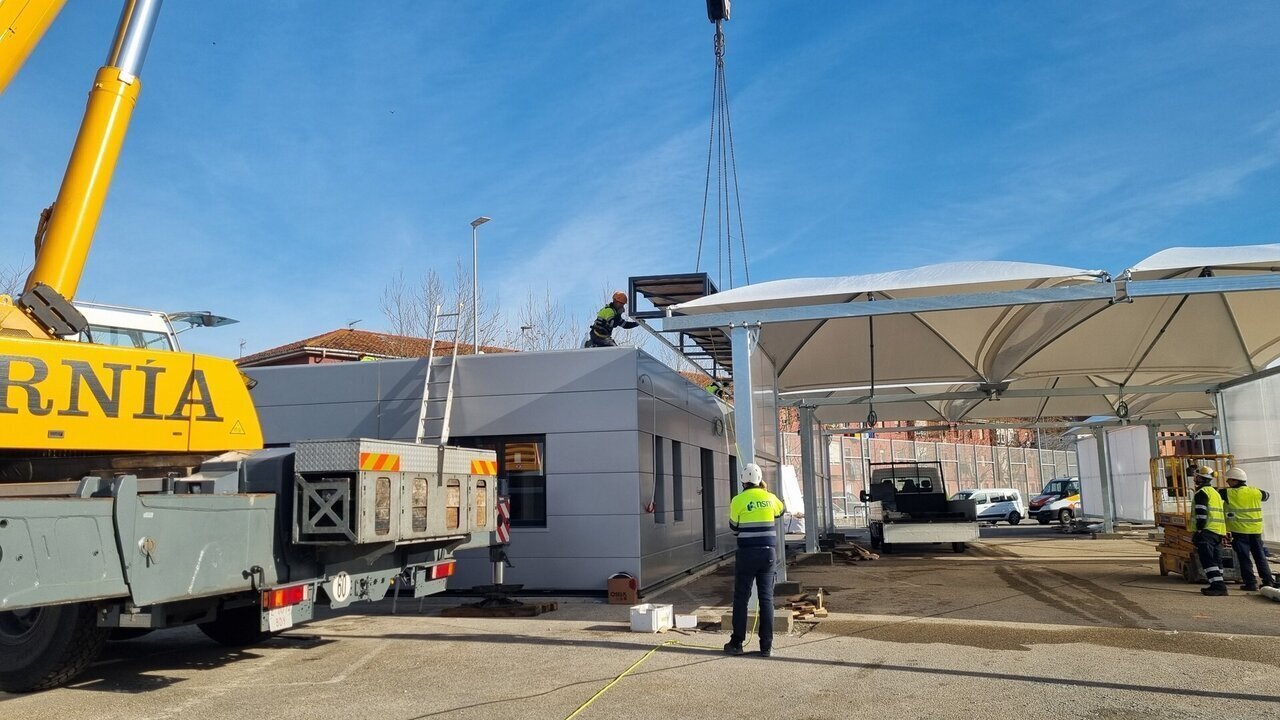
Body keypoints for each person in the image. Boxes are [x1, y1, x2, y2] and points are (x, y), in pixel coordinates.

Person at [724, 463, 785, 658]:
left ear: (743, 481)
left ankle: (737, 643)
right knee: (766, 599)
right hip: (768, 554)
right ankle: (766, 646)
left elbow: (734, 526)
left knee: (741, 598)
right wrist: (766, 491)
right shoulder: (770, 497)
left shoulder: (738, 500)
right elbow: (781, 511)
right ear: (760, 480)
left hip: (747, 554)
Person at [1221, 467, 1277, 591]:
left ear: (1235, 480)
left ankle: (1250, 583)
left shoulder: (1227, 493)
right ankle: (1268, 581)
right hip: (1256, 531)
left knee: (1244, 558)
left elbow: (1214, 496)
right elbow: (1267, 495)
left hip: (1239, 532)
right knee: (1260, 557)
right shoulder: (1256, 492)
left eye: (1229, 480)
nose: (1227, 482)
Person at [1191, 466, 1229, 596]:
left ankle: (1218, 587)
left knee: (1208, 559)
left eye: (1196, 476)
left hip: (1207, 531)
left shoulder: (1202, 493)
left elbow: (1201, 513)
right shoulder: (1215, 493)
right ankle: (1218, 583)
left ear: (1200, 478)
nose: (1195, 479)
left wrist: (1199, 529)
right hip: (1218, 531)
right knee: (1216, 560)